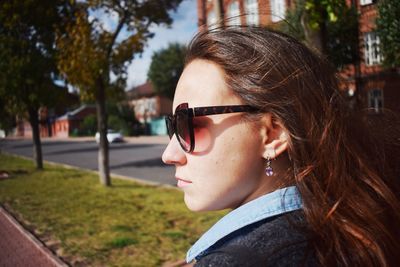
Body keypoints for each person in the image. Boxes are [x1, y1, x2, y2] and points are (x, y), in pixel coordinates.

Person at [162, 26, 400, 266]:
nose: (169, 154)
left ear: (273, 133)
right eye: (173, 126)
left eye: (187, 125)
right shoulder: (356, 225)